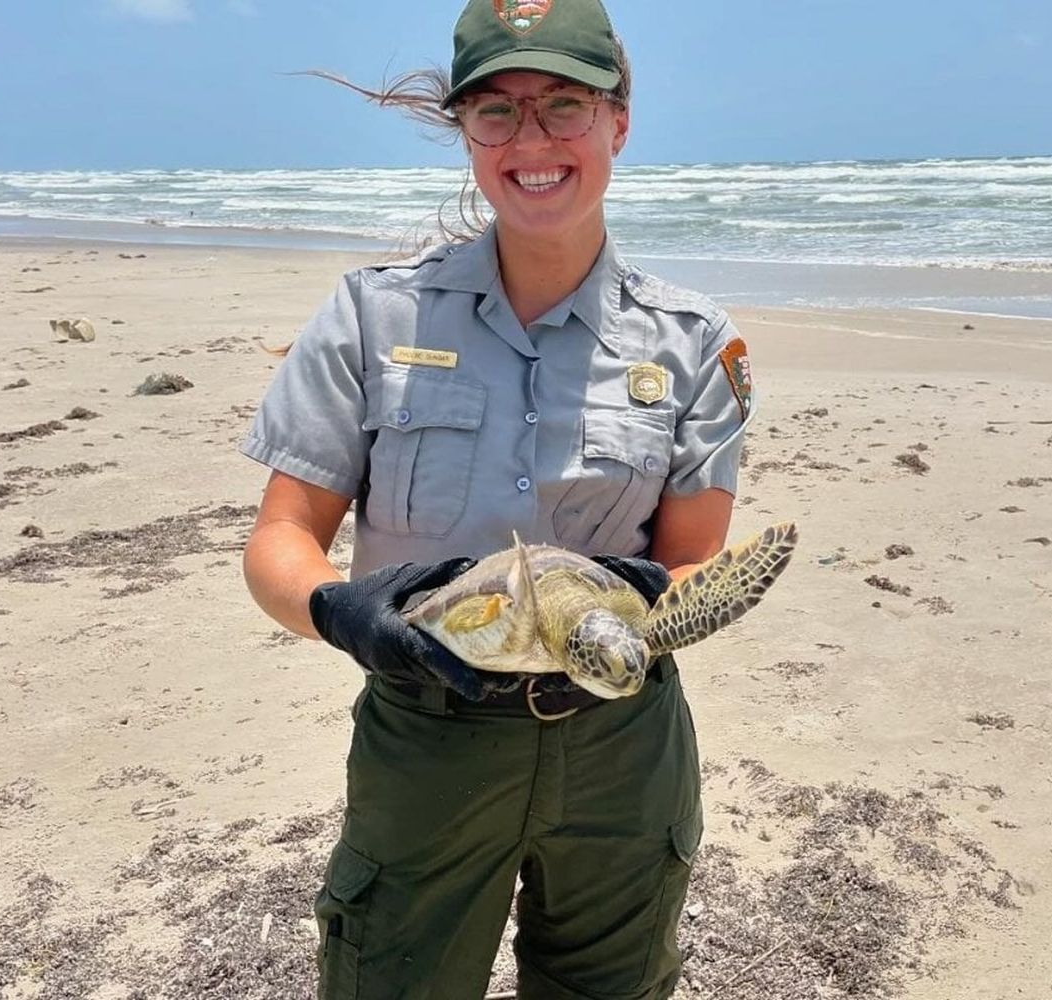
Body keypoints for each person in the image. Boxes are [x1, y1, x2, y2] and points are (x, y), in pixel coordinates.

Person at [240, 0, 755, 996]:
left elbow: (696, 564)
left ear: (619, 119)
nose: (532, 141)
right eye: (497, 112)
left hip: (619, 739)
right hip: (426, 734)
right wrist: (344, 613)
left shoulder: (693, 343)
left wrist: (636, 610)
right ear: (464, 131)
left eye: (565, 105)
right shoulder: (369, 314)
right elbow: (281, 539)